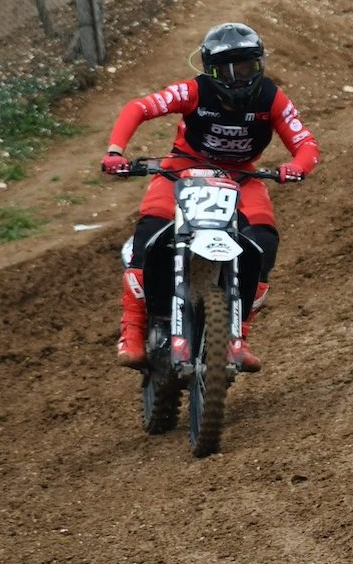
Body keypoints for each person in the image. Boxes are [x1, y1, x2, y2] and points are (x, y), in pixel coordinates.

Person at [99, 22, 321, 372]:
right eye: (227, 70)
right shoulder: (193, 92)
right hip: (181, 169)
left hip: (242, 176)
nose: (237, 78)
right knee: (149, 234)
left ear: (258, 64)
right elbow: (139, 108)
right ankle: (132, 331)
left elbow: (305, 143)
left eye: (245, 67)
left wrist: (297, 166)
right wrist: (115, 151)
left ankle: (239, 337)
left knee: (263, 244)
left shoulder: (271, 97)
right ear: (210, 71)